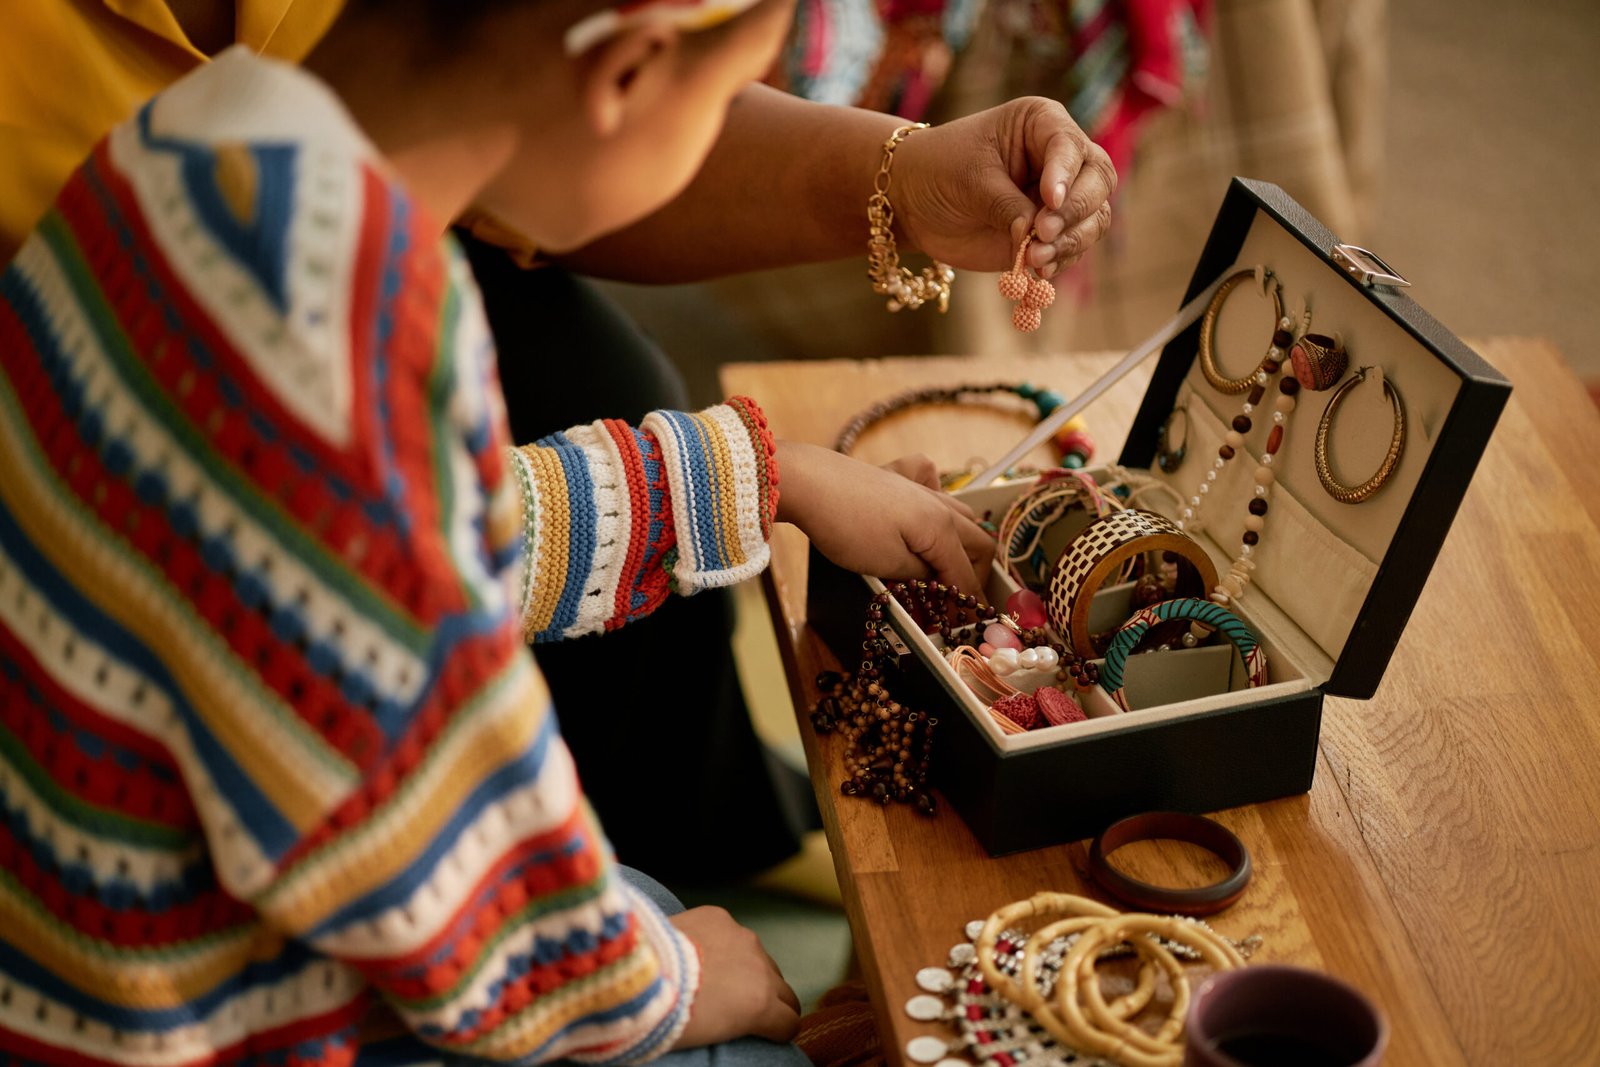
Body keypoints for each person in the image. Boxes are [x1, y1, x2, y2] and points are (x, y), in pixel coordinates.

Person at [0, 0, 1033, 1063]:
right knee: (752, 1027)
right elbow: (425, 895)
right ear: (623, 75)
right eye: (725, 94)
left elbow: (422, 540)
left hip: (123, 916)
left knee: (651, 907)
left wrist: (771, 476)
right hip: (166, 1017)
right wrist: (667, 985)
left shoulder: (215, 143)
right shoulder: (328, 350)